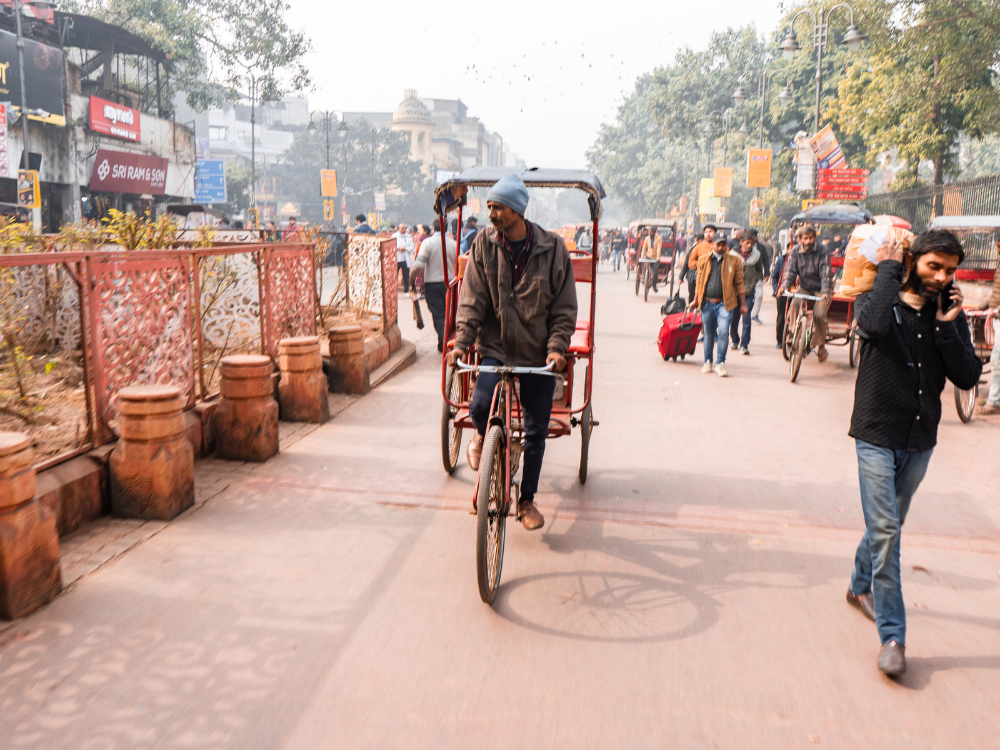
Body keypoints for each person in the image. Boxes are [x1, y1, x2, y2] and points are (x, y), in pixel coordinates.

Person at [846, 230, 981, 677]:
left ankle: (858, 585)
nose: (941, 277)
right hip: (876, 432)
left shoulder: (949, 314)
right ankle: (893, 637)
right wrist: (888, 269)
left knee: (890, 524)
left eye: (948, 270)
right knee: (887, 531)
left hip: (920, 438)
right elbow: (872, 327)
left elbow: (966, 376)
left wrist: (947, 327)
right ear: (913, 261)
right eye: (932, 267)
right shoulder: (880, 300)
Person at [446, 173, 577, 531]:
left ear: (518, 211)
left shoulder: (553, 249)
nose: (492, 214)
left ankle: (527, 501)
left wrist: (556, 349)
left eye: (499, 207)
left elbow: (564, 309)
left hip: (538, 354)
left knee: (535, 430)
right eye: (489, 206)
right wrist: (461, 342)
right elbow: (471, 300)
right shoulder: (484, 245)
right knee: (478, 406)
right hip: (496, 349)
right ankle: (486, 442)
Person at [689, 234, 747, 377]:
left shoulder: (734, 261)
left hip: (725, 304)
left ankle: (720, 363)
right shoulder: (703, 260)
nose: (720, 247)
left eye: (723, 244)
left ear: (726, 245)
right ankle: (708, 361)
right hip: (707, 303)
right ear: (712, 245)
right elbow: (699, 282)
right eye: (718, 244)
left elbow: (739, 283)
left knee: (723, 332)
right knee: (708, 334)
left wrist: (743, 304)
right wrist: (696, 300)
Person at [782, 225, 832, 362]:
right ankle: (793, 333)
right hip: (804, 287)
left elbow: (825, 272)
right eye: (805, 238)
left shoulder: (823, 249)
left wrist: (826, 291)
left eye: (811, 238)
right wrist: (784, 285)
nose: (808, 241)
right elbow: (790, 271)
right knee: (794, 305)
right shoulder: (795, 251)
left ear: (815, 238)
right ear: (800, 239)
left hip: (822, 288)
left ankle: (821, 345)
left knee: (820, 314)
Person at [409, 222, 456, 352]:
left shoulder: (428, 243)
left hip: (433, 285)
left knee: (438, 314)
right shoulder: (454, 244)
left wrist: (411, 278)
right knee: (450, 314)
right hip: (452, 285)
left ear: (433, 228)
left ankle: (444, 342)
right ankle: (446, 341)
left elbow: (418, 265)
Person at [730, 229, 764, 355]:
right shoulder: (733, 254)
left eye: (752, 243)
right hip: (735, 292)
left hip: (749, 292)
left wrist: (754, 280)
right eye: (748, 243)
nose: (750, 246)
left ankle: (744, 344)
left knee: (747, 318)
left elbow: (759, 270)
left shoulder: (757, 255)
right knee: (734, 317)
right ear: (742, 242)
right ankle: (734, 340)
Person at [978, 232, 1000, 415]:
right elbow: (995, 291)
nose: (997, 249)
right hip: (996, 316)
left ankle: (994, 401)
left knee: (996, 358)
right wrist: (981, 307)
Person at [771, 240, 789, 349]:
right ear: (787, 249)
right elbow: (775, 276)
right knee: (781, 316)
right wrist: (776, 289)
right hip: (782, 292)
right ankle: (780, 340)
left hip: (797, 292)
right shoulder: (781, 260)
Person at [393, 223, 415, 293]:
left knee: (406, 276)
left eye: (404, 228)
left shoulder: (408, 236)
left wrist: (405, 248)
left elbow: (412, 247)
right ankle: (393, 290)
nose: (404, 230)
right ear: (398, 229)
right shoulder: (394, 236)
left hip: (406, 259)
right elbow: (391, 246)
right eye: (402, 228)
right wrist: (398, 248)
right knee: (394, 275)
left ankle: (406, 291)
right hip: (397, 258)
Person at [641, 227, 662, 293]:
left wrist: (658, 258)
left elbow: (659, 248)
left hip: (655, 257)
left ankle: (654, 285)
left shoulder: (659, 238)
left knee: (655, 273)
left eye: (651, 232)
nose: (650, 233)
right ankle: (645, 279)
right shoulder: (647, 238)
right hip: (648, 256)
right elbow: (644, 248)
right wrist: (642, 257)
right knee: (645, 268)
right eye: (649, 232)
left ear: (654, 232)